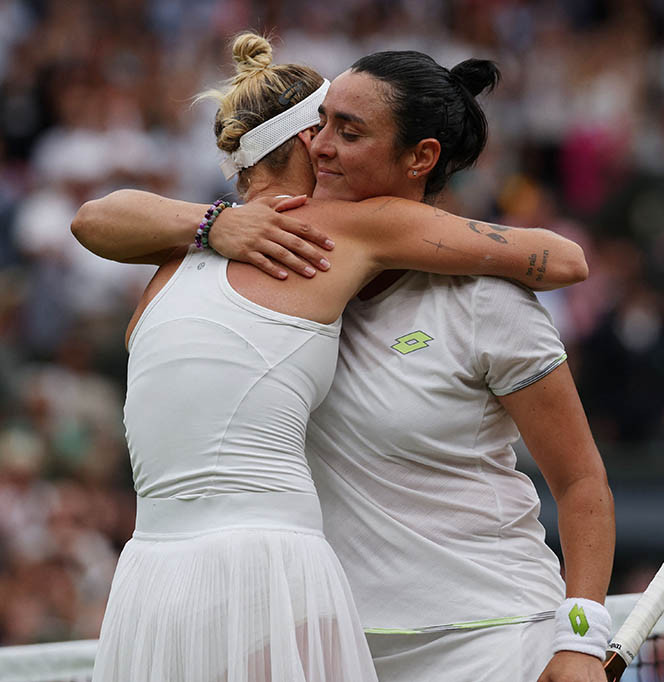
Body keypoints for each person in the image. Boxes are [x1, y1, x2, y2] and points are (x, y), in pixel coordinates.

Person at [74, 34, 593, 682]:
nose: (324, 147)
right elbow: (96, 218)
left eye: (346, 132)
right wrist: (218, 223)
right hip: (329, 627)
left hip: (494, 633)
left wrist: (583, 636)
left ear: (418, 158)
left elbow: (567, 263)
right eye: (321, 128)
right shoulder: (219, 245)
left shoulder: (415, 262)